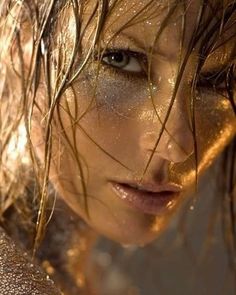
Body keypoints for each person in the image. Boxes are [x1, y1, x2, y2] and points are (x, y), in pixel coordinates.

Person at [0, 0, 235, 294]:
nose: (175, 147)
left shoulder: (93, 279)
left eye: (216, 79)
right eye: (121, 59)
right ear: (21, 41)